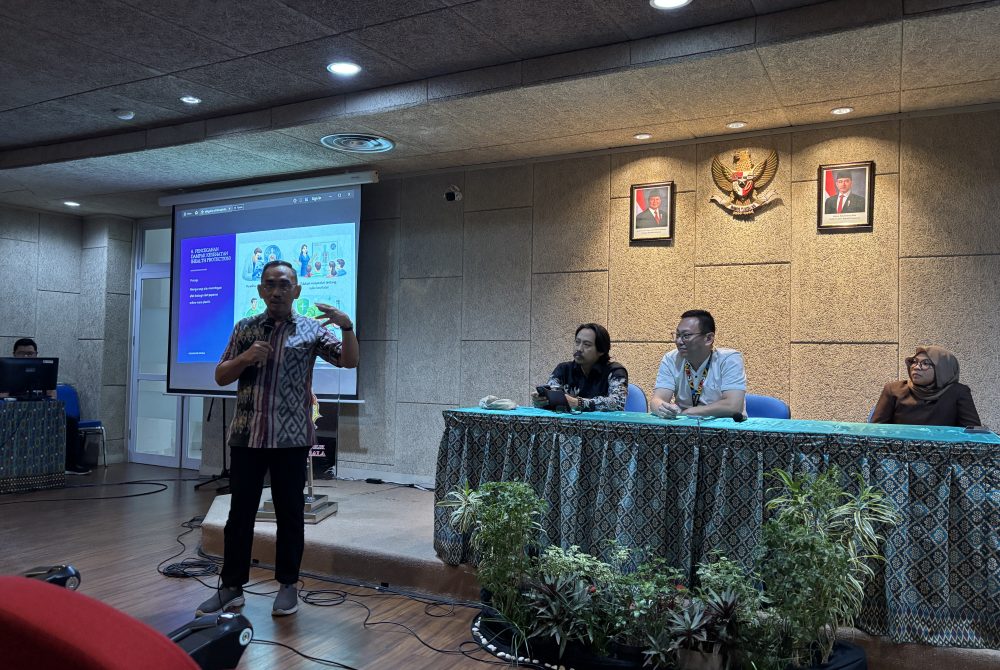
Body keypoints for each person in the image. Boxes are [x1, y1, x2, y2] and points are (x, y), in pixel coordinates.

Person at [195, 261, 358, 618]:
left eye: (284, 285)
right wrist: (245, 357)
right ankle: (232, 588)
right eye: (269, 284)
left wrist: (347, 326)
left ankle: (287, 586)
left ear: (296, 291)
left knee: (290, 515)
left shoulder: (312, 330)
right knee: (240, 515)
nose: (277, 291)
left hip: (291, 439)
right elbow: (221, 375)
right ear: (260, 291)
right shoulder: (245, 328)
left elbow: (349, 360)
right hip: (247, 437)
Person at [9, 338, 89, 475]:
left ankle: (70, 464)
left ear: (36, 354)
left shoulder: (44, 371)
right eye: (22, 353)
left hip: (41, 412)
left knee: (69, 421)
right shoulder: (7, 371)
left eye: (30, 354)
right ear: (14, 354)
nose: (26, 357)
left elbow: (52, 395)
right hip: (14, 412)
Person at [651, 310, 747, 419]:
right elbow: (657, 400)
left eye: (686, 335)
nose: (678, 341)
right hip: (683, 428)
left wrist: (690, 412)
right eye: (677, 335)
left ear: (708, 338)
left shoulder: (729, 359)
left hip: (725, 430)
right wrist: (663, 408)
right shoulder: (671, 359)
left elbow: (733, 406)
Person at [871, 346, 981, 427]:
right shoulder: (893, 390)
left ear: (942, 369)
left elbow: (973, 433)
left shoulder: (958, 392)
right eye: (914, 361)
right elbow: (875, 430)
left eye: (925, 363)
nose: (916, 367)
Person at [531, 323, 628, 411]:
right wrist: (541, 402)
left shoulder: (616, 371)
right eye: (577, 342)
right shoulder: (563, 369)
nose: (579, 348)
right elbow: (553, 399)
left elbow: (617, 404)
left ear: (601, 350)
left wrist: (579, 403)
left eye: (586, 344)